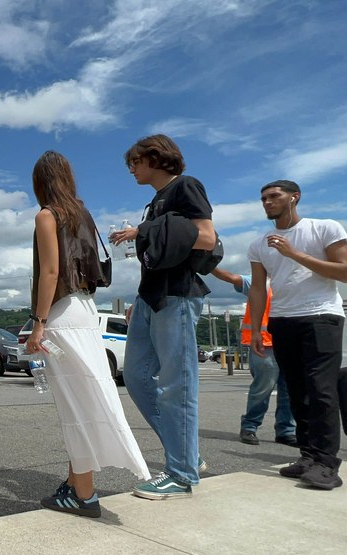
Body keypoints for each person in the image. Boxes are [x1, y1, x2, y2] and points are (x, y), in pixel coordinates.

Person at [26, 151, 150, 518]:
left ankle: (84, 494)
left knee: (74, 408)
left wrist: (38, 322)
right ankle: (75, 485)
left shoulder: (46, 216)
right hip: (87, 311)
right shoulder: (83, 215)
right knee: (87, 401)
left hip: (61, 315)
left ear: (40, 182)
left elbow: (50, 273)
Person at [110, 134, 216, 500]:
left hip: (178, 295)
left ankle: (182, 472)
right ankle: (187, 455)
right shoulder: (153, 201)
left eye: (135, 162)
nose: (132, 169)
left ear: (155, 157)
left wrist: (145, 230)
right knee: (137, 379)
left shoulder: (185, 187)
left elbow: (205, 237)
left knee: (178, 385)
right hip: (148, 298)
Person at [248, 180, 347, 490]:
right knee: (297, 391)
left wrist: (294, 254)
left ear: (294, 197)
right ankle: (308, 456)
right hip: (282, 320)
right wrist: (257, 328)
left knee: (321, 391)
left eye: (274, 196)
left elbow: (345, 272)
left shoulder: (325, 228)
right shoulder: (258, 244)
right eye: (263, 198)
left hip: (321, 316)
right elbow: (257, 288)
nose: (267, 202)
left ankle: (326, 464)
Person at [210, 268, 297, 446]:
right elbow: (231, 277)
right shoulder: (259, 281)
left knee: (289, 390)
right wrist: (208, 263)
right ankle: (250, 426)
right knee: (263, 388)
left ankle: (286, 431)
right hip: (264, 344)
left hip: (289, 342)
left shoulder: (293, 280)